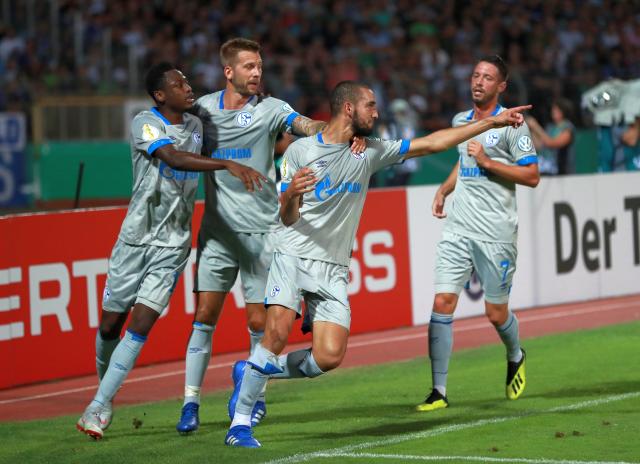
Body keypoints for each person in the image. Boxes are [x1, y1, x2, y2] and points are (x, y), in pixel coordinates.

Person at [224, 79, 531, 448]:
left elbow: (433, 142)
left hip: (333, 267)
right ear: (349, 109)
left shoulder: (370, 151)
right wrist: (290, 193)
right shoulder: (300, 152)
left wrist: (491, 123)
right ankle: (240, 425)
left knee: (329, 356)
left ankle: (254, 370)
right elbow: (287, 218)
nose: (377, 111)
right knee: (275, 334)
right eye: (371, 105)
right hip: (292, 254)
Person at [175, 38, 364, 434]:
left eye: (259, 65)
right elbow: (179, 145)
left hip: (263, 233)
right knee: (204, 316)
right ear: (229, 71)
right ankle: (190, 403)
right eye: (249, 66)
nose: (257, 72)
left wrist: (339, 132)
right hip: (216, 232)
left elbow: (307, 126)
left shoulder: (273, 108)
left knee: (260, 321)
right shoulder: (203, 110)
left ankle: (254, 397)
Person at [76, 62, 265, 440]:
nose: (187, 86)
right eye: (178, 84)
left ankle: (97, 407)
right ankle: (106, 391)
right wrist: (226, 163)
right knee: (111, 324)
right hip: (135, 239)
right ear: (161, 95)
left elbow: (238, 128)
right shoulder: (146, 123)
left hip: (173, 245)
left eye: (187, 81)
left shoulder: (198, 125)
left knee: (142, 323)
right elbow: (174, 159)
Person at [416, 55, 539, 414]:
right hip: (459, 228)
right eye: (475, 75)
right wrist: (444, 188)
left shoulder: (514, 125)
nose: (478, 81)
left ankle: (515, 354)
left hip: (496, 232)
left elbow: (532, 176)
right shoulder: (460, 122)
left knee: (495, 313)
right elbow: (463, 160)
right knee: (442, 303)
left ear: (501, 86)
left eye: (487, 77)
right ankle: (438, 390)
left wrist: (488, 162)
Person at [527, 98, 576, 175]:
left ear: (563, 111)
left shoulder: (568, 128)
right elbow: (540, 145)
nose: (553, 111)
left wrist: (536, 126)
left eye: (556, 110)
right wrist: (531, 129)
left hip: (563, 172)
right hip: (547, 170)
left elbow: (552, 143)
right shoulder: (550, 127)